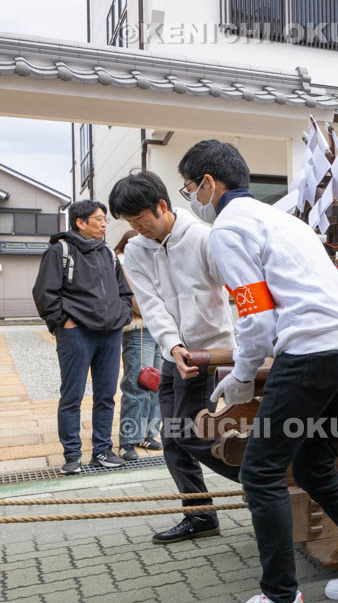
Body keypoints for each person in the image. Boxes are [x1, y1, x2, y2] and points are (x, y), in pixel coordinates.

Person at [177, 140, 338, 603]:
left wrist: (239, 379)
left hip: (311, 353)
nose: (192, 197)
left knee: (261, 472)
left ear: (209, 185)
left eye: (190, 188)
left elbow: (255, 318)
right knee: (314, 465)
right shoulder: (283, 220)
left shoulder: (228, 229)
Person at [108, 171, 241, 544]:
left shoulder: (202, 238)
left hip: (209, 353)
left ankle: (261, 479)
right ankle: (200, 515)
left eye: (140, 220)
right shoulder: (135, 251)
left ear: (162, 206)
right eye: (129, 222)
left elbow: (237, 287)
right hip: (174, 354)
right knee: (172, 437)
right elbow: (150, 306)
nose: (136, 228)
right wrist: (173, 347)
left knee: (186, 432)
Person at [32, 200, 132, 474]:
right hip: (76, 335)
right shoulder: (60, 250)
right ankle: (72, 456)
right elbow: (44, 293)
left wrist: (121, 316)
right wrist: (64, 322)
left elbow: (125, 293)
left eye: (104, 220)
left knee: (106, 395)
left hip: (110, 334)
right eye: (98, 219)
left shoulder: (107, 253)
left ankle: (102, 451)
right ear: (80, 222)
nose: (104, 224)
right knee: (72, 396)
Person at [112, 230, 163, 462]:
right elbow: (134, 300)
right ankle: (128, 440)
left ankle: (148, 433)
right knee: (137, 384)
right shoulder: (122, 262)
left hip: (158, 328)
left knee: (157, 384)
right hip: (139, 328)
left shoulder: (153, 259)